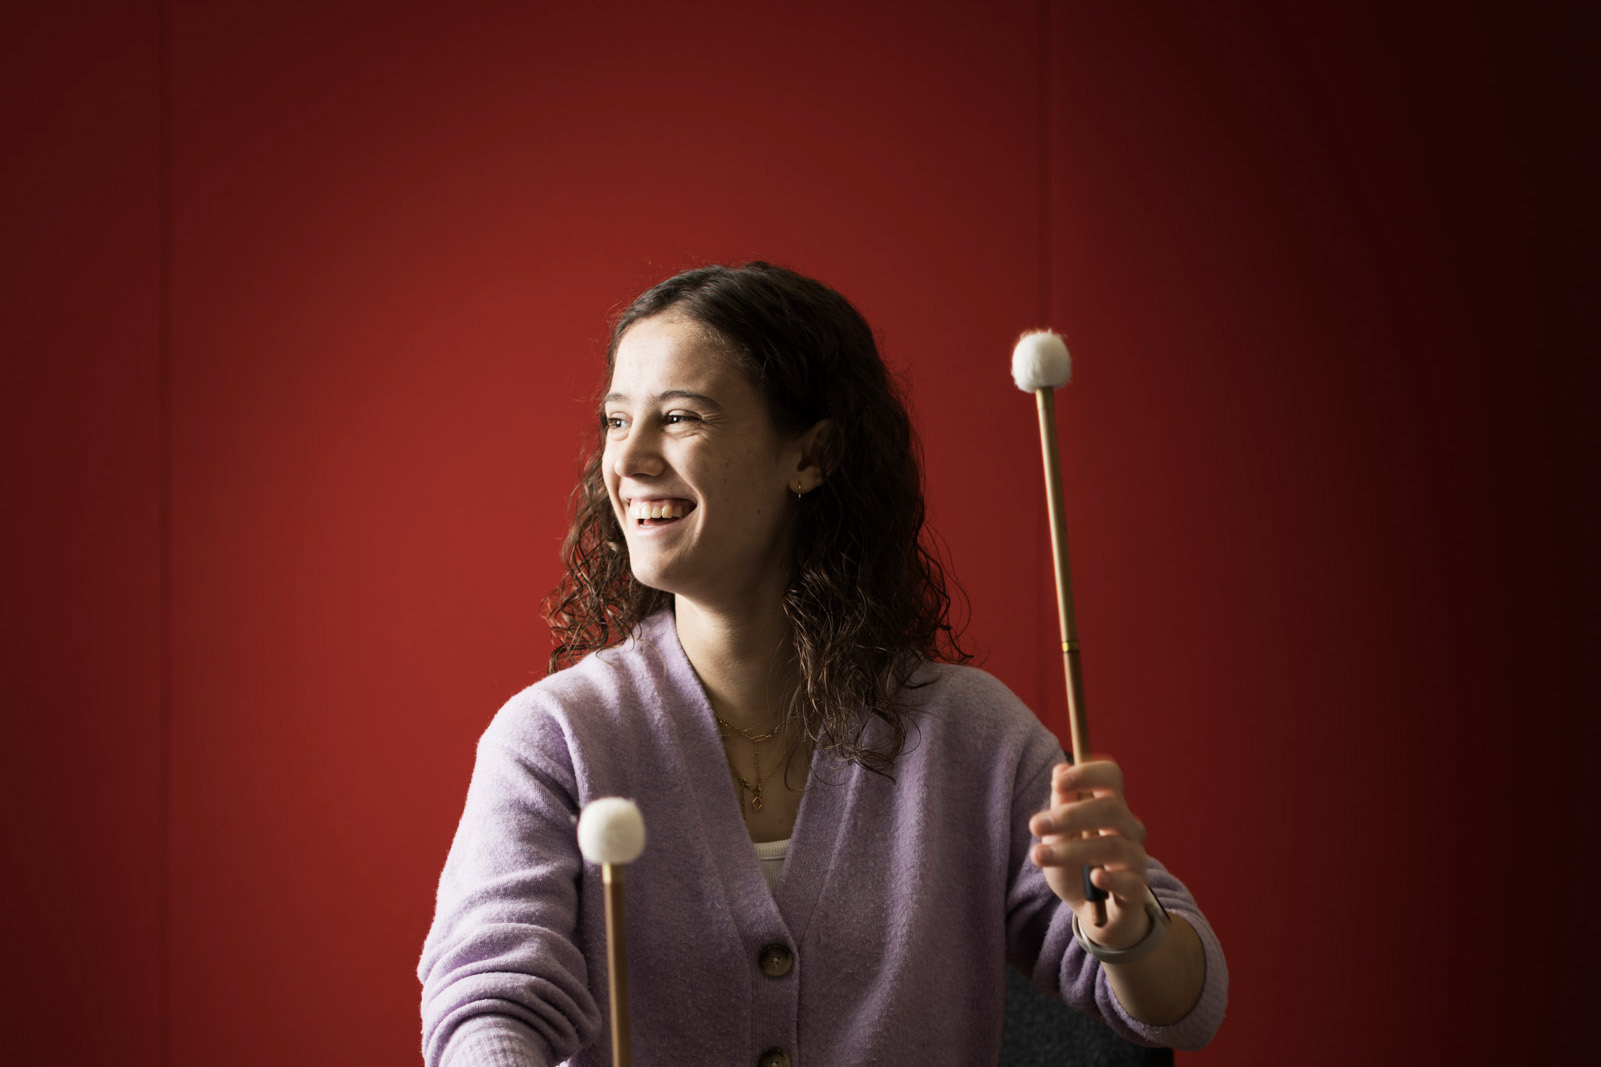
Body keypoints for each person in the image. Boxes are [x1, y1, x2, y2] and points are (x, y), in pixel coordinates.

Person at [418, 262, 1227, 1066]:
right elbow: (485, 1002)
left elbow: (1182, 1007)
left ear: (812, 455)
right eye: (614, 420)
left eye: (679, 417)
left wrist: (1128, 930)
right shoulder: (554, 738)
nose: (628, 459)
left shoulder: (971, 736)